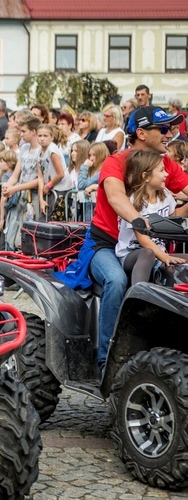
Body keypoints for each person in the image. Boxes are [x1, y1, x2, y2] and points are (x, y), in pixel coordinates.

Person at [85, 106, 188, 372]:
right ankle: (107, 358)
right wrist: (140, 222)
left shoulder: (165, 164)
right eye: (164, 129)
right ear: (141, 133)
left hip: (148, 244)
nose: (170, 134)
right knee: (116, 281)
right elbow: (116, 196)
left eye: (173, 128)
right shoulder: (116, 161)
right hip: (107, 244)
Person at [116, 150, 188, 285]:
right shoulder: (133, 202)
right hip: (133, 254)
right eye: (161, 170)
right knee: (147, 253)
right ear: (146, 176)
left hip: (159, 253)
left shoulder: (165, 194)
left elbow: (173, 218)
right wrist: (165, 257)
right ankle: (137, 297)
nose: (166, 174)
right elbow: (143, 239)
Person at [2, 115, 42, 250]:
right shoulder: (24, 149)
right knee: (13, 235)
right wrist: (8, 185)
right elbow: (15, 174)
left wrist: (16, 188)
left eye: (24, 131)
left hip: (35, 198)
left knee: (29, 236)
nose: (21, 134)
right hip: (20, 197)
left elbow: (40, 179)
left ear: (33, 132)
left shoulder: (41, 150)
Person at [37, 124, 68, 219]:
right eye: (40, 136)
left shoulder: (52, 150)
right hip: (49, 190)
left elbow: (60, 174)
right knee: (43, 218)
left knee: (54, 221)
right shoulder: (39, 152)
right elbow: (40, 177)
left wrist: (48, 185)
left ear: (51, 137)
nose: (42, 138)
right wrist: (41, 199)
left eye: (45, 136)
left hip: (60, 189)